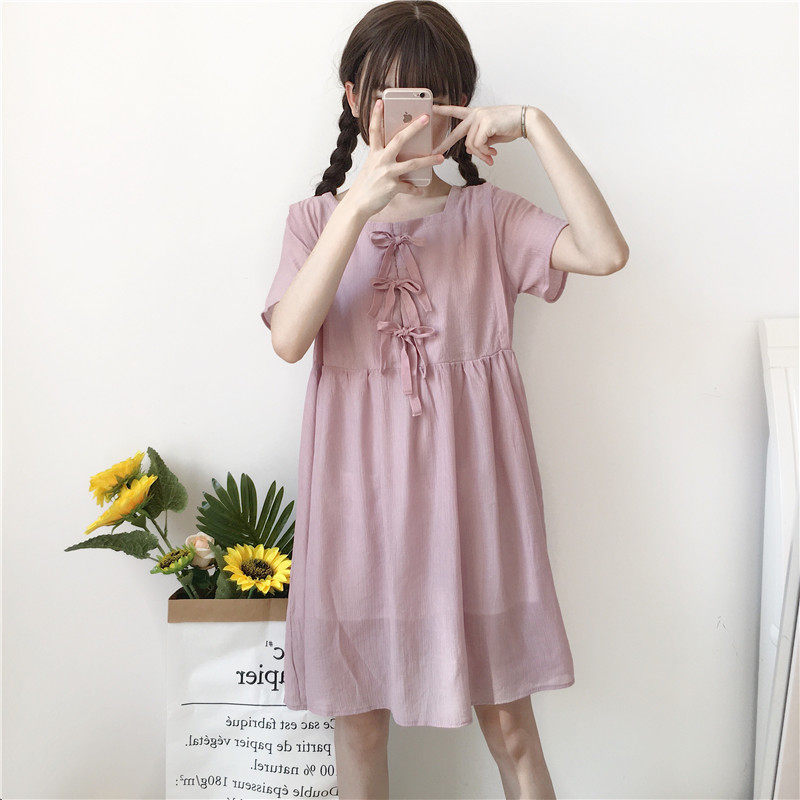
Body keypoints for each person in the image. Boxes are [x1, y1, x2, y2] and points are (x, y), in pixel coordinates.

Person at [261, 2, 628, 797]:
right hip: (357, 522)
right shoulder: (314, 223)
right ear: (355, 99)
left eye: (428, 99)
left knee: (512, 727)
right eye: (388, 98)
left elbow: (605, 252)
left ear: (457, 105)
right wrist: (360, 205)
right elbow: (290, 338)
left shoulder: (489, 217)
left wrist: (534, 124)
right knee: (359, 728)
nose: (408, 122)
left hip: (476, 516)